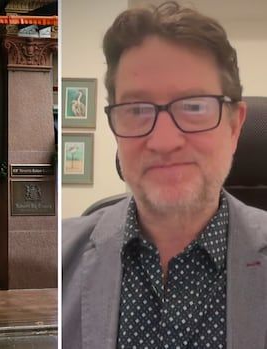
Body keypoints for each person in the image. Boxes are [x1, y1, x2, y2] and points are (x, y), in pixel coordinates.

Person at [61, 2, 267, 348]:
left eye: (195, 106)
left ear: (235, 126)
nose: (164, 141)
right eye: (137, 110)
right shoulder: (62, 257)